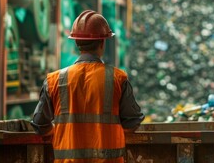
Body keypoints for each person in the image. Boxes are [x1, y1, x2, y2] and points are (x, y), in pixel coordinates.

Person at [31, 10, 145, 163]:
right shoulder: (117, 78)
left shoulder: (54, 80)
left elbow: (39, 125)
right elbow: (132, 123)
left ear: (76, 42)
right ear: (103, 42)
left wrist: (60, 134)